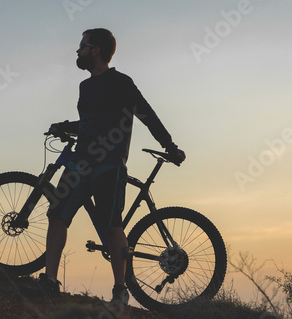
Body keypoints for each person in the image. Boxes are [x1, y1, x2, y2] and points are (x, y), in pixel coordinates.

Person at [35, 28, 185, 304]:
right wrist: (64, 126)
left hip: (109, 165)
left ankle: (120, 290)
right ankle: (50, 281)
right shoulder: (85, 86)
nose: (77, 51)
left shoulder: (121, 82)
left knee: (112, 226)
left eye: (82, 46)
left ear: (96, 50)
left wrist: (169, 145)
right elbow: (89, 124)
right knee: (57, 215)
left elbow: (146, 114)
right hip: (80, 162)